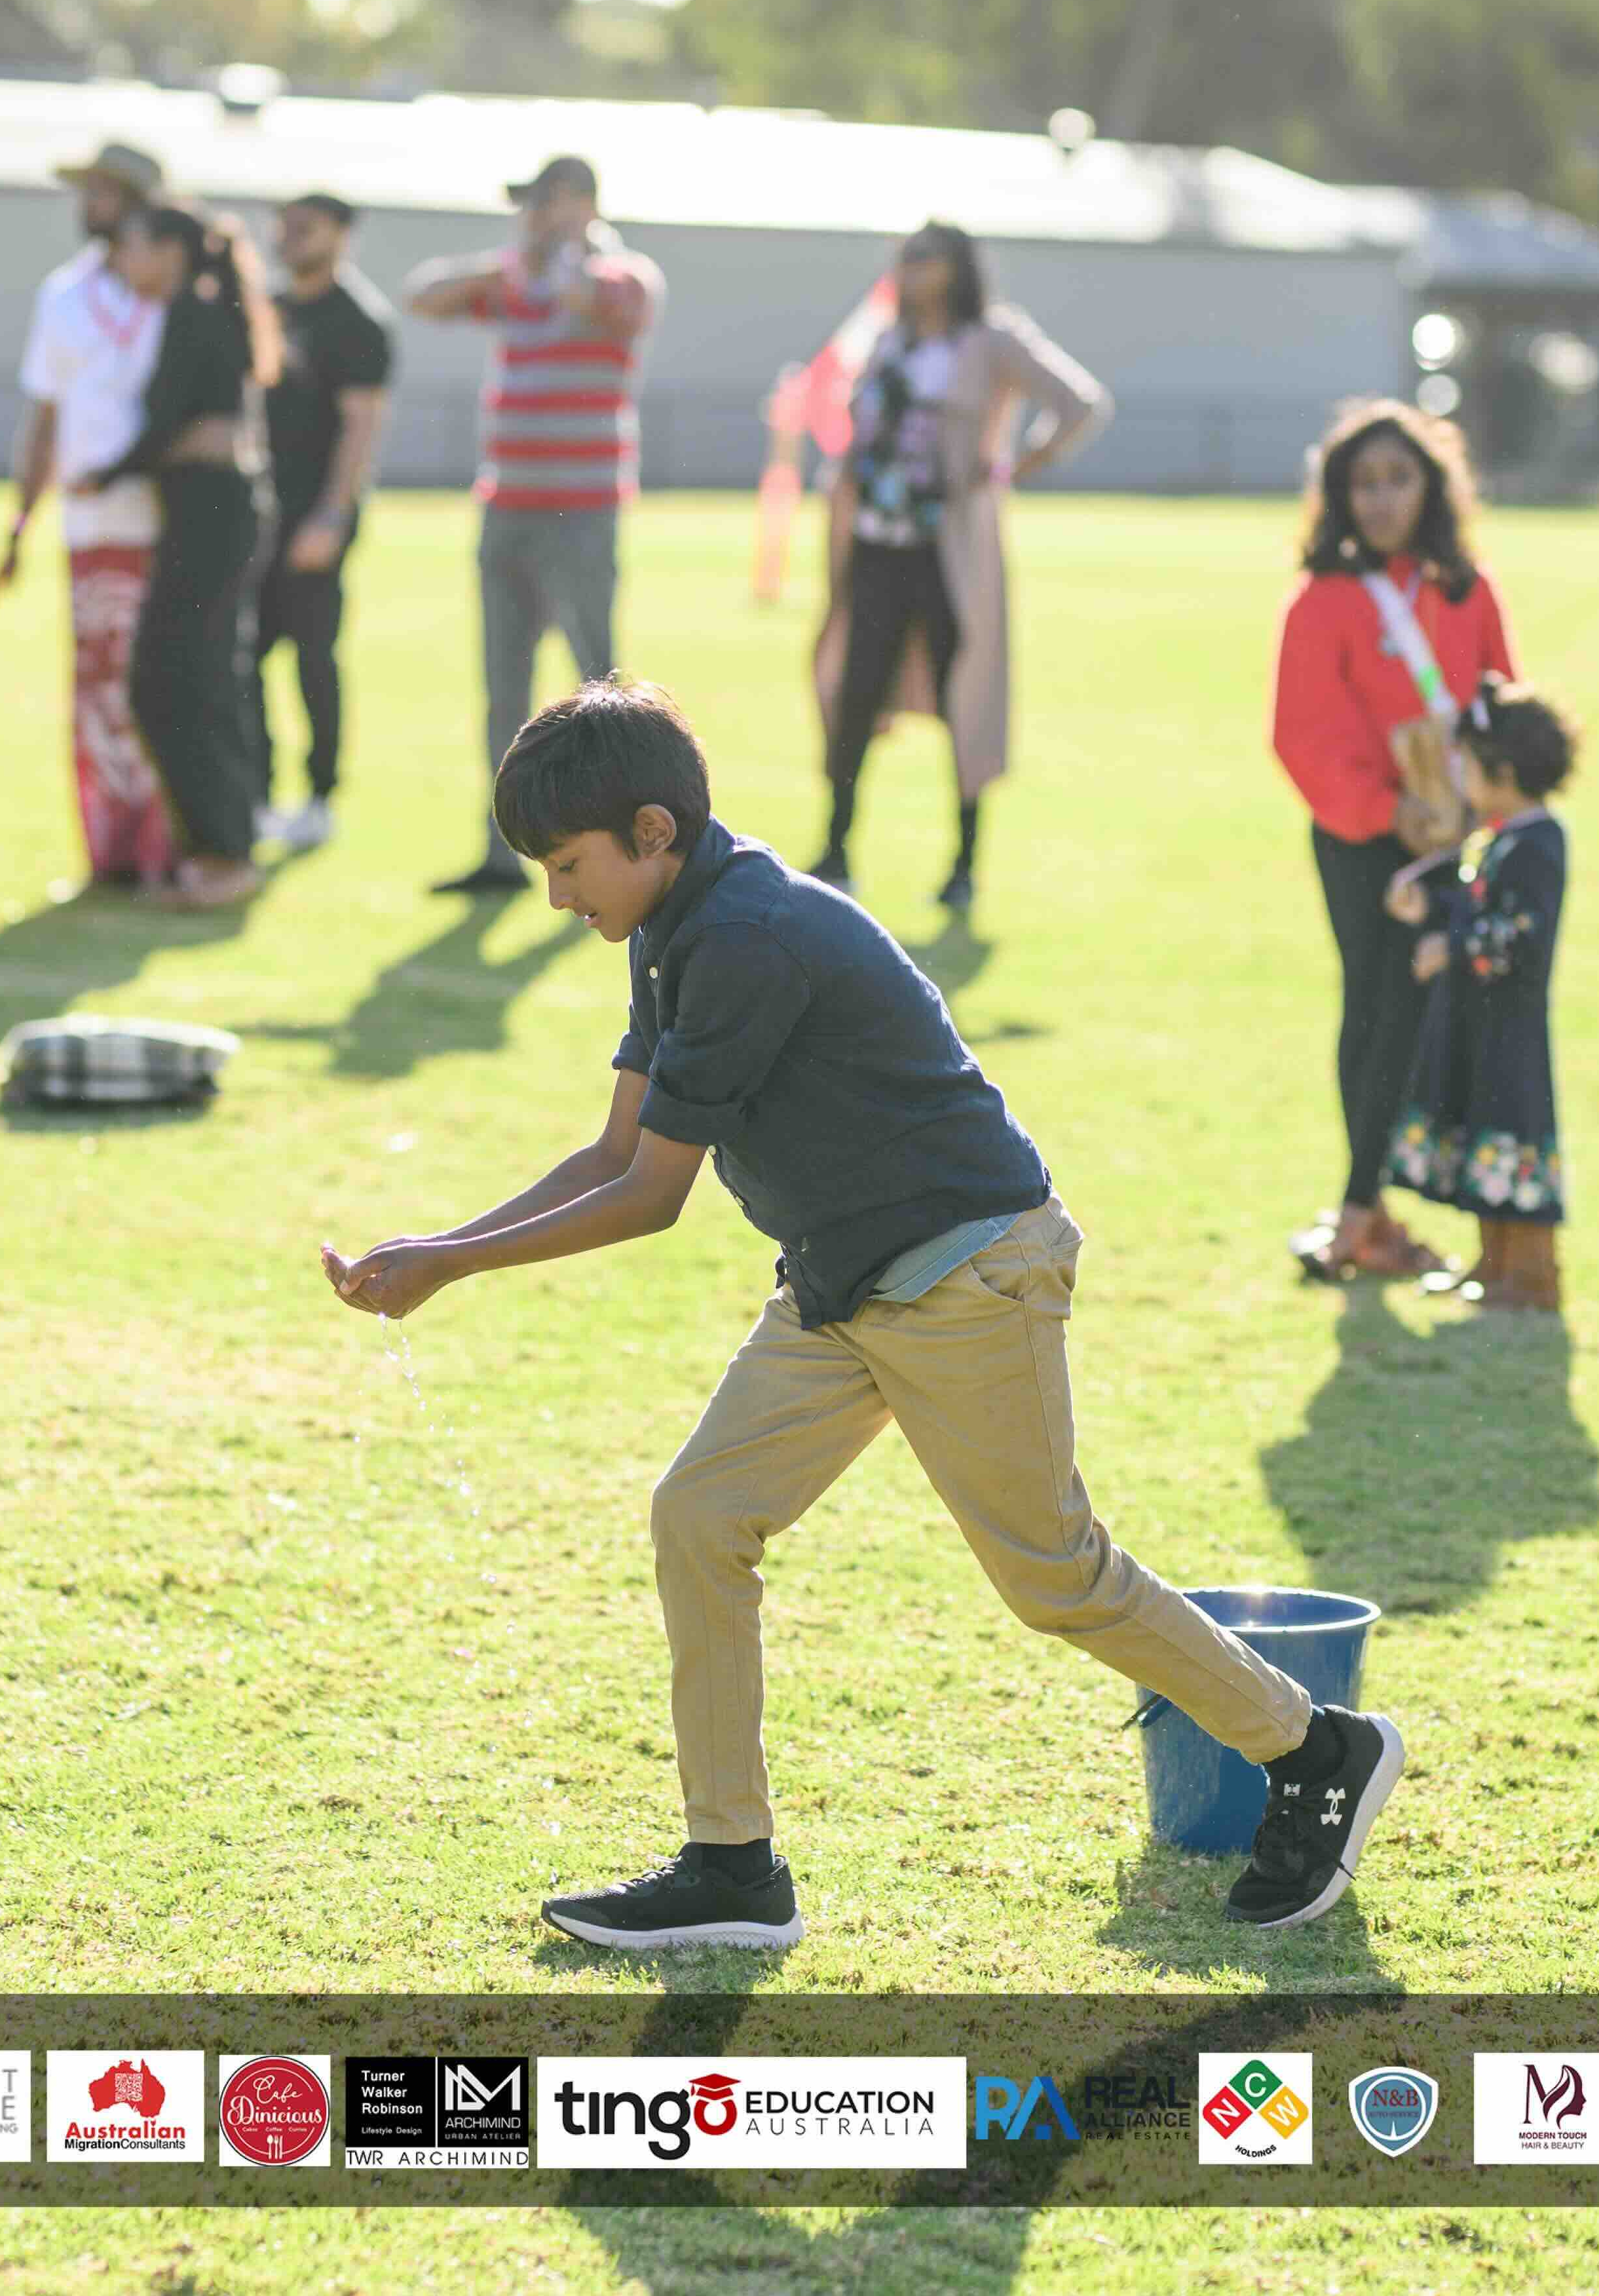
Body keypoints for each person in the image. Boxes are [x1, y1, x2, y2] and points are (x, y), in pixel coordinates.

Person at [323, 678, 1405, 1946]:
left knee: (1053, 1573)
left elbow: (652, 1196)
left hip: (966, 1272)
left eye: (569, 865)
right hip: (843, 1281)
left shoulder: (746, 938)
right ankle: (733, 1865)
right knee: (702, 1512)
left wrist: (454, 1269)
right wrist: (439, 1243)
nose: (560, 896)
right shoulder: (671, 932)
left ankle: (1318, 1744)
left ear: (654, 831)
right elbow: (612, 1147)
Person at [1271, 399, 1516, 1284]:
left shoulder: (1467, 587)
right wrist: (1384, 810)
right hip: (1359, 838)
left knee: (1427, 1012)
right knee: (1375, 1003)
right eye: (1361, 483)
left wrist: (1487, 799)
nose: (1379, 499)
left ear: (1431, 486)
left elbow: (1500, 698)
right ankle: (1363, 1206)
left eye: (1397, 479)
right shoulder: (1323, 598)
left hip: (1458, 830)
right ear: (1336, 495)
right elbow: (1302, 731)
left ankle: (1370, 1207)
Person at [804, 222, 1111, 908]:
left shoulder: (990, 338)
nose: (911, 272)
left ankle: (964, 865)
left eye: (926, 260)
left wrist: (1010, 466)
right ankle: (835, 849)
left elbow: (1079, 402)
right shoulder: (888, 339)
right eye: (905, 258)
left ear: (957, 268)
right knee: (852, 696)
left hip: (948, 553)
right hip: (877, 544)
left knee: (964, 701)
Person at [402, 155, 665, 894]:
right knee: (504, 688)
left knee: (599, 689)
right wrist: (508, 267)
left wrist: (566, 252)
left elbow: (599, 298)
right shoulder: (514, 282)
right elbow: (422, 297)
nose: (529, 219)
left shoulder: (625, 275)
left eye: (544, 204)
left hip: (581, 510)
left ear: (580, 202)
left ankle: (623, 843)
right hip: (507, 508)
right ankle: (500, 852)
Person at [81, 206, 280, 912]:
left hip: (211, 513)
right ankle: (218, 849)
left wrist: (101, 475)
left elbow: (162, 421)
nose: (120, 261)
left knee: (172, 680)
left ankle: (223, 854)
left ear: (169, 251)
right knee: (196, 677)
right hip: (210, 511)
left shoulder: (193, 313)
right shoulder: (203, 310)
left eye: (130, 244)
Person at [0, 142, 174, 889]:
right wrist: (19, 520)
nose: (90, 203)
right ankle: (110, 854)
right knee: (95, 688)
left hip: (165, 525)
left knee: (155, 685)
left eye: (105, 190)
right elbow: (44, 414)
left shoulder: (175, 292)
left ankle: (170, 849)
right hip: (88, 529)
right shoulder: (62, 294)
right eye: (87, 190)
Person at [1387, 678, 1580, 1314]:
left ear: (1501, 771)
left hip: (1510, 1029)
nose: (1458, 775)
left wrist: (1453, 945)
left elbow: (1520, 936)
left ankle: (1530, 1274)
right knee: (1480, 1134)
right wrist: (1434, 909)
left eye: (1465, 763)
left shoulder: (1539, 843)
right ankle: (1490, 1262)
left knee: (1512, 1133)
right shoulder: (1497, 837)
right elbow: (1481, 909)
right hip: (1476, 1021)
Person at [246, 191, 394, 856]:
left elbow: (361, 427)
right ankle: (254, 792)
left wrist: (332, 515)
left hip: (315, 516)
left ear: (338, 234)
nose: (292, 236)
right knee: (244, 657)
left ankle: (318, 796)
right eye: (285, 224)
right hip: (257, 516)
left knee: (313, 656)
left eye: (307, 226)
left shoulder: (358, 321)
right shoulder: (269, 308)